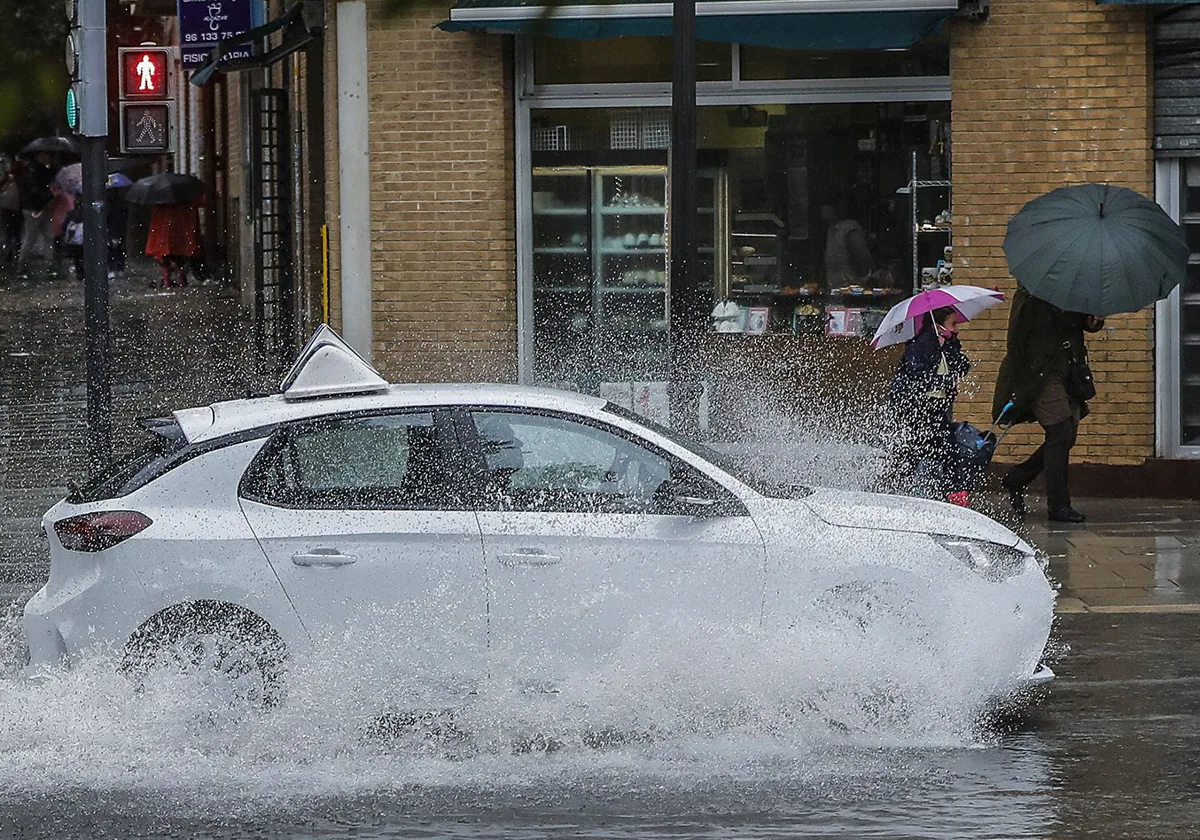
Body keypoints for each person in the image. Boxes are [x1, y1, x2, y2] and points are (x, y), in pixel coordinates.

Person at [993, 286, 1105, 523]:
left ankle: (1018, 478)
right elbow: (1016, 340)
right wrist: (1021, 385)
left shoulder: (1076, 287)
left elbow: (1083, 325)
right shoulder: (1030, 293)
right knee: (1060, 431)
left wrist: (1094, 320)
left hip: (1069, 369)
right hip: (1041, 374)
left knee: (1067, 436)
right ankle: (1058, 506)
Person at [886, 306, 970, 502]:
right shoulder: (920, 344)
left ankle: (941, 490)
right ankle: (950, 491)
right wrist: (944, 382)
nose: (956, 329)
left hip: (934, 405)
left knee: (932, 447)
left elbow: (963, 366)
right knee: (937, 447)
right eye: (953, 324)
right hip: (916, 406)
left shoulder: (948, 343)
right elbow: (918, 376)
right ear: (938, 325)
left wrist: (949, 345)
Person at [144, 199, 201, 289]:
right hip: (179, 229)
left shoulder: (159, 199)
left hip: (165, 232)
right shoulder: (184, 197)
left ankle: (168, 282)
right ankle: (179, 280)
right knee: (179, 256)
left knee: (165, 257)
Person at [820, 203, 874, 288]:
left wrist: (860, 280)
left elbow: (864, 260)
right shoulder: (830, 230)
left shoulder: (849, 230)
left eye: (827, 205)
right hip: (834, 288)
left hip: (852, 289)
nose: (823, 210)